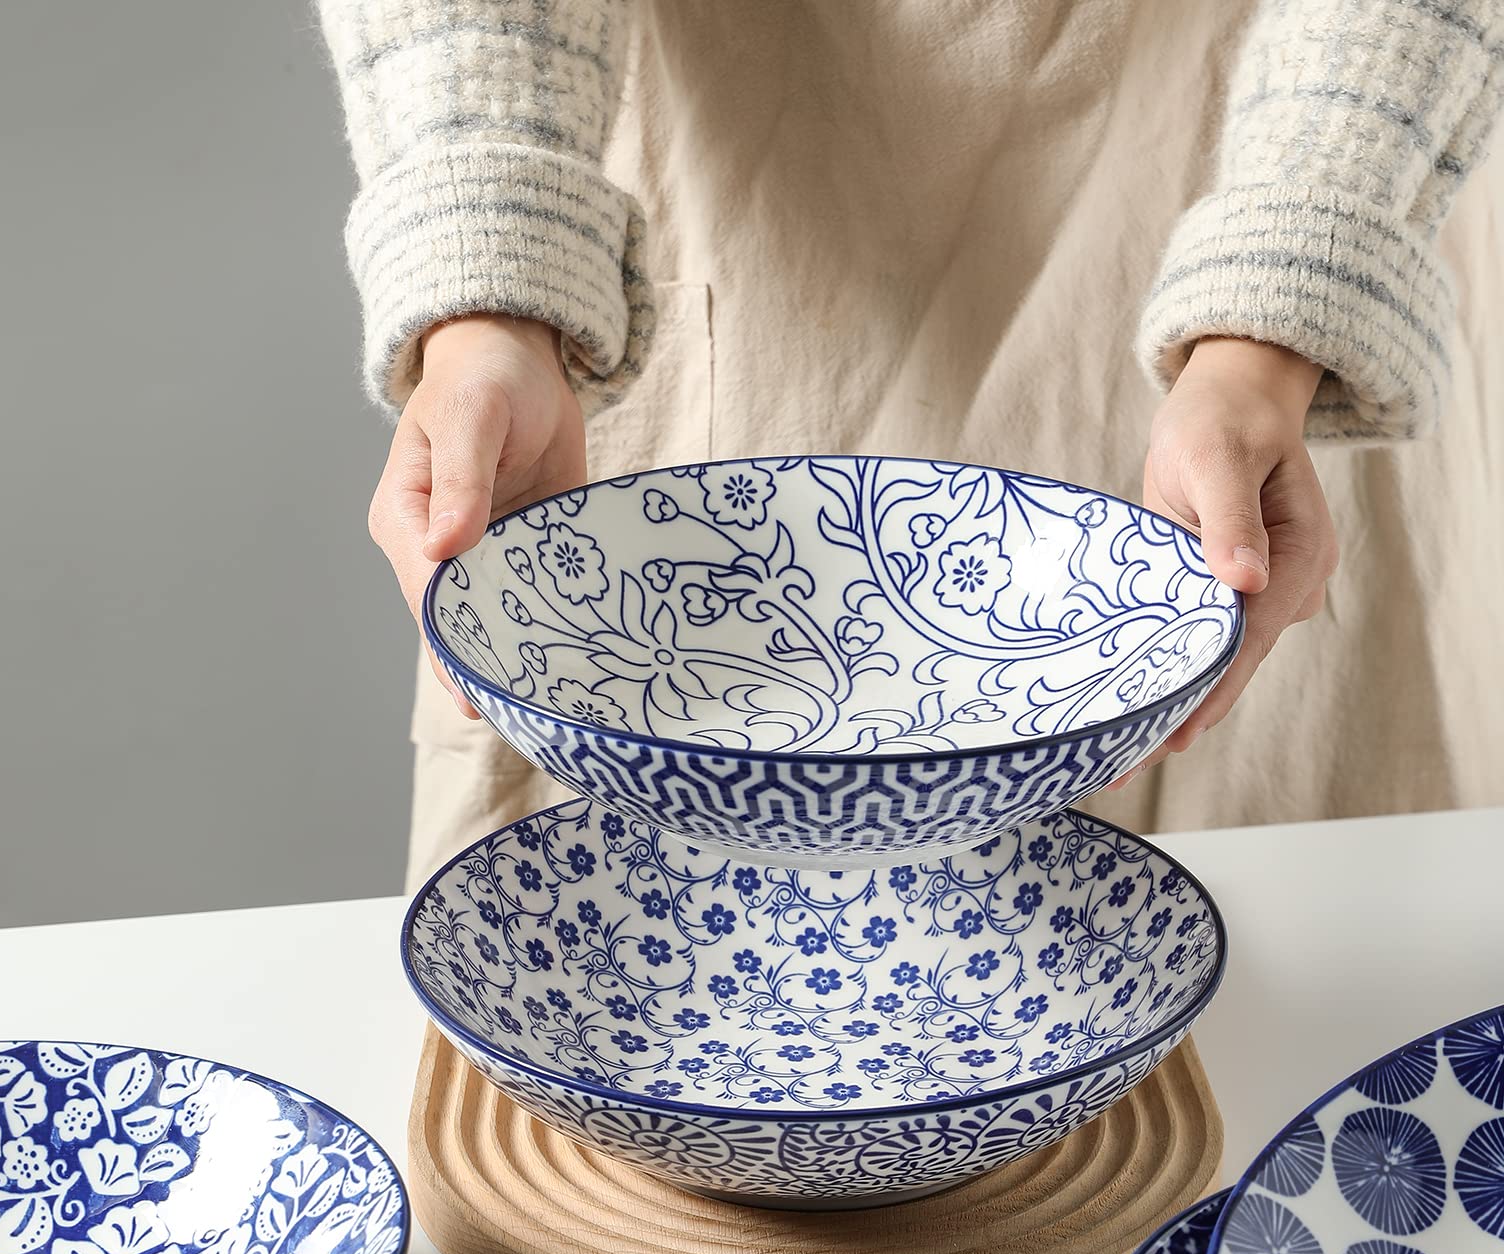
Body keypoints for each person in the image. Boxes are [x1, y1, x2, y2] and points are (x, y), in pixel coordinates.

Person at [317, 0, 1504, 890]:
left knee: (1291, 1055)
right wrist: (494, 303)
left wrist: (1281, 317)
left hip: (1293, 211)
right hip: (720, 227)